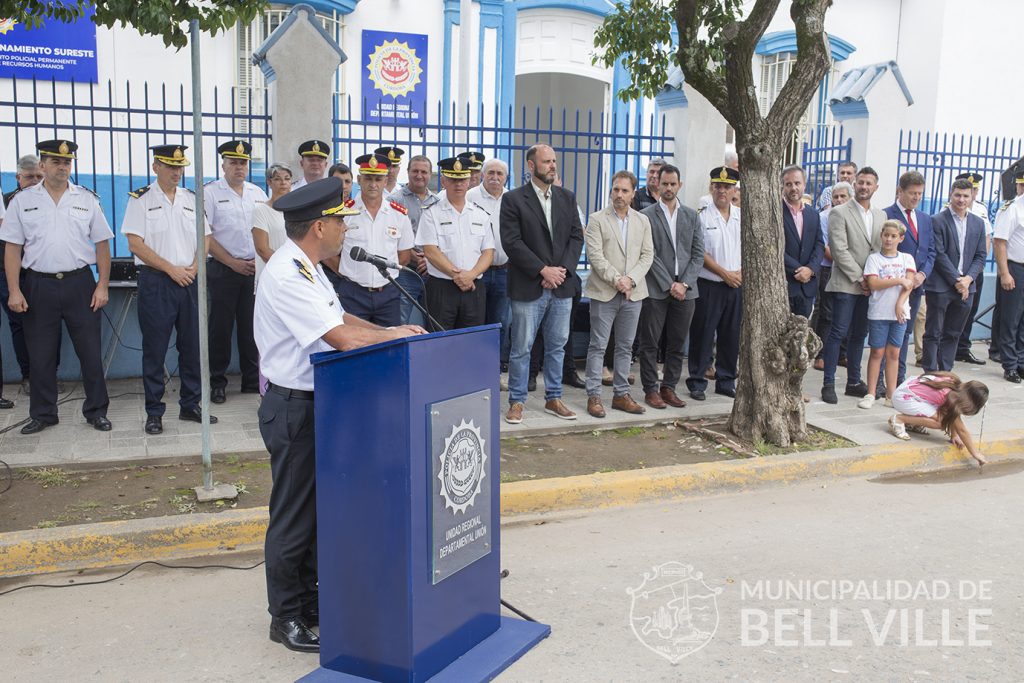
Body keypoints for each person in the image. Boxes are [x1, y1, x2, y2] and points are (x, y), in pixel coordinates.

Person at [255, 176, 425, 654]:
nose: (346, 230)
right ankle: (284, 616)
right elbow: (341, 340)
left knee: (314, 515)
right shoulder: (288, 272)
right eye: (340, 222)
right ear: (318, 227)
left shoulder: (308, 265)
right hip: (293, 407)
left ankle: (311, 604)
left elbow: (345, 319)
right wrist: (395, 339)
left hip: (319, 404)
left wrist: (390, 328)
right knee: (292, 517)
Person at [1, 139, 113, 434]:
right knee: (41, 355)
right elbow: (12, 249)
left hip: (80, 284)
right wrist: (15, 289)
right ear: (42, 165)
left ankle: (96, 411)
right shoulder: (22, 201)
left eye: (67, 162)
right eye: (55, 162)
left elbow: (102, 245)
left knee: (90, 353)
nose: (62, 167)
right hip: (39, 285)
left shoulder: (86, 199)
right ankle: (43, 413)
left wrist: (102, 286)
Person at [121, 144, 217, 434]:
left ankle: (190, 404)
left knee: (193, 346)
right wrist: (170, 269)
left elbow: (206, 237)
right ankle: (154, 412)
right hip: (157, 282)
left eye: (180, 167)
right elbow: (135, 244)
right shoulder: (141, 200)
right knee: (155, 350)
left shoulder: (190, 199)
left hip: (190, 279)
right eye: (170, 166)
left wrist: (195, 267)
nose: (177, 172)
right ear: (156, 168)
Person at [500, 143, 584, 424]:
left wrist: (561, 271)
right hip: (528, 286)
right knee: (522, 347)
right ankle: (517, 401)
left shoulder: (567, 198)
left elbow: (576, 237)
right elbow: (512, 242)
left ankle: (554, 397)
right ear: (531, 165)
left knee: (557, 345)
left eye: (554, 161)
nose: (552, 166)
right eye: (546, 161)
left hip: (561, 286)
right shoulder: (513, 199)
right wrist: (542, 270)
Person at [583, 170, 653, 417]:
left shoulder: (642, 221)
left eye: (624, 191)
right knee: (598, 345)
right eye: (616, 190)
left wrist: (631, 280)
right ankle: (594, 396)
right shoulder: (596, 219)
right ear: (611, 191)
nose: (619, 195)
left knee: (625, 347)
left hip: (633, 294)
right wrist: (617, 280)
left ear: (633, 194)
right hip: (605, 292)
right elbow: (595, 256)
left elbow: (647, 255)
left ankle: (621, 395)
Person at [205, 140, 268, 404]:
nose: (239, 167)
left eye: (243, 163)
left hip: (253, 270)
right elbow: (205, 235)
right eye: (234, 162)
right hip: (223, 269)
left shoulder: (257, 193)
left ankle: (251, 379)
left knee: (251, 327)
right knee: (220, 328)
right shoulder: (210, 192)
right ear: (223, 165)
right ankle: (217, 383)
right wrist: (231, 262)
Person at [638, 163, 703, 409]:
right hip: (657, 288)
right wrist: (669, 284)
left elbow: (698, 254)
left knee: (677, 343)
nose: (668, 188)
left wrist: (684, 284)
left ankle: (669, 388)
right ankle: (650, 390)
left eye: (672, 184)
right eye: (664, 183)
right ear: (658, 183)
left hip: (686, 291)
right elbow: (649, 253)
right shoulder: (646, 215)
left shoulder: (691, 215)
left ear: (679, 185)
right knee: (650, 342)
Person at [820, 167, 885, 404]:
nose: (864, 187)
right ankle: (828, 383)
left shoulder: (881, 216)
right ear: (854, 184)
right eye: (861, 183)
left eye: (869, 183)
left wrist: (873, 279)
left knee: (859, 334)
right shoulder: (839, 212)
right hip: (847, 283)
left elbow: (880, 251)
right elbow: (839, 250)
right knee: (838, 332)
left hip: (870, 285)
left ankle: (853, 382)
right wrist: (860, 278)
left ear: (876, 187)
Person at [336, 152, 414, 327]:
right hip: (353, 293)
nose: (373, 184)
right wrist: (345, 271)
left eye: (378, 179)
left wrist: (385, 276)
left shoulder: (398, 214)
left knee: (389, 345)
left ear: (385, 181)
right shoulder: (344, 213)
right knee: (353, 346)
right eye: (368, 178)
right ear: (359, 179)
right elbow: (329, 252)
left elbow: (404, 256)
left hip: (388, 293)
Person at [417, 157, 494, 330]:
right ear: (443, 181)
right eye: (453, 179)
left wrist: (471, 275)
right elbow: (430, 251)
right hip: (441, 288)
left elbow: (488, 252)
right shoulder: (431, 213)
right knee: (438, 341)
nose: (458, 184)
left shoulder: (480, 214)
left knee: (470, 341)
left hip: (473, 287)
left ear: (469, 181)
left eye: (462, 180)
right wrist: (459, 276)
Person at [686, 166, 742, 401]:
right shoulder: (701, 214)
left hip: (737, 284)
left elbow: (749, 249)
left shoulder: (741, 216)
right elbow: (699, 251)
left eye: (727, 187)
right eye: (718, 186)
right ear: (711, 188)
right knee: (703, 334)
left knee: (731, 335)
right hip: (710, 284)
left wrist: (739, 274)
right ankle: (697, 381)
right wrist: (723, 273)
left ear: (734, 190)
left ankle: (726, 380)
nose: (722, 191)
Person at [922, 178, 987, 372]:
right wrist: (957, 280)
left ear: (972, 197)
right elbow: (939, 254)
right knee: (933, 332)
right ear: (951, 195)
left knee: (953, 333)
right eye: (957, 195)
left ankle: (946, 372)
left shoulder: (978, 222)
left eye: (965, 196)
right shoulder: (937, 220)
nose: (961, 199)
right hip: (941, 286)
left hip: (967, 287)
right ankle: (930, 372)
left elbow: (981, 255)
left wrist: (968, 279)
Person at [882, 171, 935, 387]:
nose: (916, 198)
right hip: (893, 287)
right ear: (900, 191)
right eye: (912, 193)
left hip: (916, 286)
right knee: (888, 336)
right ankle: (881, 382)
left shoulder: (924, 218)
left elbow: (931, 250)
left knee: (904, 335)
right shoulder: (887, 214)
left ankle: (899, 379)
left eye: (920, 194)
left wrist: (922, 274)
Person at [859, 220, 916, 410]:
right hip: (879, 312)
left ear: (900, 238)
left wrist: (900, 304)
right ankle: (871, 392)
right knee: (877, 352)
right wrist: (897, 280)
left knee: (894, 353)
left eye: (893, 236)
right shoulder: (874, 259)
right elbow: (874, 283)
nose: (889, 239)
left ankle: (891, 395)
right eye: (886, 235)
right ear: (881, 236)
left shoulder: (907, 258)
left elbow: (909, 285)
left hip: (899, 314)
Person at [2, 154, 44, 388]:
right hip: (11, 273)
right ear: (18, 178)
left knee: (49, 324)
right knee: (19, 324)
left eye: (39, 176)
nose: (35, 181)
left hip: (40, 273)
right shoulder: (7, 203)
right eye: (29, 177)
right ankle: (28, 375)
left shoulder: (50, 200)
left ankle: (50, 373)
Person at [888, 372, 988, 465]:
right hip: (903, 398)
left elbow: (953, 416)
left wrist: (954, 435)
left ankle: (913, 423)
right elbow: (962, 430)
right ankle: (900, 419)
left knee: (944, 417)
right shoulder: (950, 397)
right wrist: (975, 453)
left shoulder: (955, 386)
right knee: (941, 422)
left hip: (908, 390)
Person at [467, 158, 511, 369]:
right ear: (483, 175)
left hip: (504, 271)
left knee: (500, 322)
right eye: (490, 173)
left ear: (506, 177)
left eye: (499, 174)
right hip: (476, 272)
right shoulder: (470, 196)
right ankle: (474, 367)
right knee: (476, 321)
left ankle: (492, 367)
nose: (495, 177)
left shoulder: (513, 199)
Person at [389, 154, 439, 326]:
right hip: (405, 271)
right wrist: (413, 256)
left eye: (424, 172)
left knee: (433, 322)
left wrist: (430, 259)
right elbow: (391, 237)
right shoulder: (394, 201)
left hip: (433, 272)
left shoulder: (438, 202)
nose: (419, 175)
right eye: (415, 171)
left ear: (430, 174)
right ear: (408, 172)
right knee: (400, 321)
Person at [810, 181, 852, 371]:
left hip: (849, 271)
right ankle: (819, 354)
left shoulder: (855, 217)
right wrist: (846, 262)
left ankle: (841, 354)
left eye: (843, 196)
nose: (839, 200)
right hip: (828, 269)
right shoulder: (824, 217)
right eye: (836, 196)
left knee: (844, 313)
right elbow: (825, 247)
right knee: (826, 313)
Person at [954, 172, 992, 365]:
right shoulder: (949, 210)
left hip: (975, 269)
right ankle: (950, 347)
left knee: (971, 308)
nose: (972, 194)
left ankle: (963, 347)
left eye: (974, 190)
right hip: (956, 271)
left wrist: (979, 265)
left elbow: (987, 239)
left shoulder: (981, 209)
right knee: (953, 311)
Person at [992, 172, 1024, 383]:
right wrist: (1005, 273)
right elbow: (1000, 241)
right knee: (1010, 319)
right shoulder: (1012, 208)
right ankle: (1010, 364)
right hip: (1015, 268)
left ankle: (1021, 361)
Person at [781, 165, 825, 318]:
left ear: (804, 185)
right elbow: (775, 248)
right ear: (783, 186)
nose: (793, 188)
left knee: (801, 336)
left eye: (797, 183)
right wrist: (799, 269)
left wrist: (811, 269)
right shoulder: (777, 213)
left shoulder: (813, 214)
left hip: (807, 286)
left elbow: (819, 245)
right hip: (785, 285)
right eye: (788, 184)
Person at [253, 163, 293, 286]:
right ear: (269, 182)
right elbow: (262, 249)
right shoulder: (261, 210)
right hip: (272, 273)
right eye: (277, 179)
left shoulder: (297, 210)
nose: (283, 182)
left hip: (294, 274)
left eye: (287, 178)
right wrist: (286, 266)